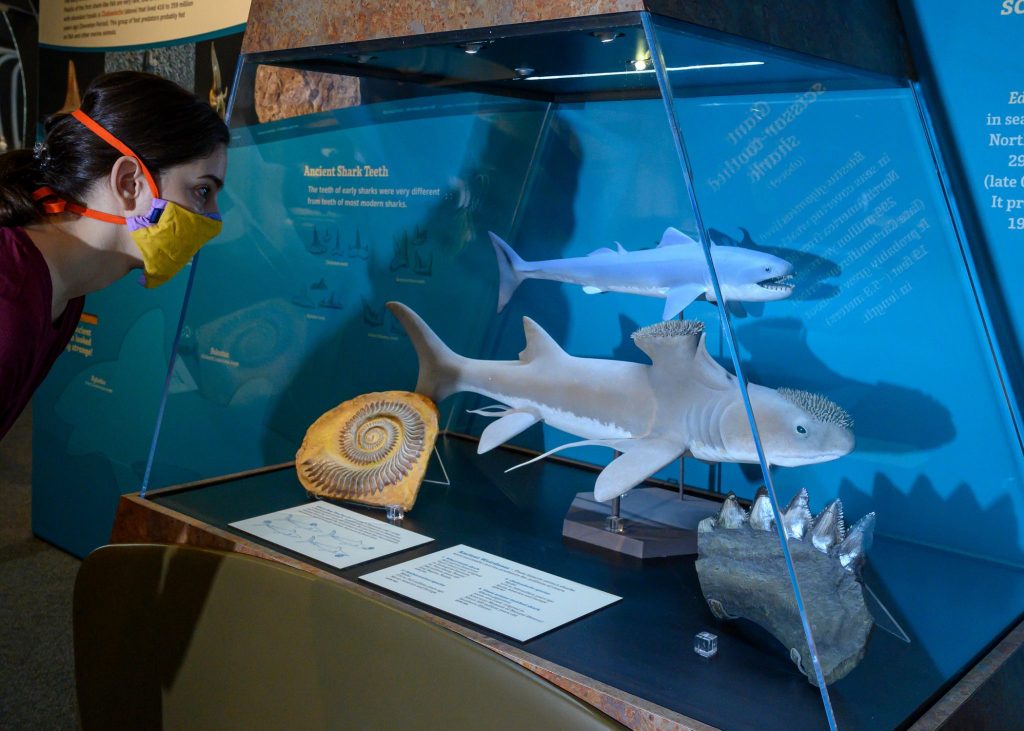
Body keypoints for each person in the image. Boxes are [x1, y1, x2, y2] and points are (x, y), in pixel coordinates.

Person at [0, 71, 229, 440]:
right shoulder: (9, 303)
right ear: (129, 184)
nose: (214, 219)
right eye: (202, 191)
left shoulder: (65, 294)